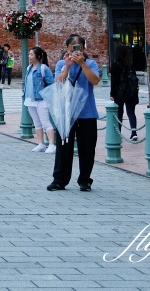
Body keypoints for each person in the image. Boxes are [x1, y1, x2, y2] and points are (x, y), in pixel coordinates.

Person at [47, 34, 101, 192]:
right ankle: (60, 180)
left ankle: (85, 180)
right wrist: (68, 66)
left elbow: (95, 81)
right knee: (64, 149)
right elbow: (58, 83)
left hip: (87, 113)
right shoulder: (61, 64)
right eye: (72, 49)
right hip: (66, 113)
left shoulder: (90, 63)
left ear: (84, 49)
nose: (76, 52)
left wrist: (83, 64)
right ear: (67, 49)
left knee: (87, 149)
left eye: (79, 49)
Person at [23, 46, 56, 154]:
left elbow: (51, 84)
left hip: (41, 99)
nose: (29, 57)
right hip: (30, 99)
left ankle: (51, 144)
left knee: (45, 122)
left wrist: (49, 97)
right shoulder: (29, 68)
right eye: (29, 54)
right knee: (37, 123)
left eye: (31, 54)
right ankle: (41, 144)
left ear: (38, 56)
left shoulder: (43, 68)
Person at [109, 44, 139, 142]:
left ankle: (118, 133)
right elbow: (134, 79)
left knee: (119, 114)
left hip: (119, 93)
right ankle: (134, 133)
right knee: (131, 112)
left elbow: (114, 81)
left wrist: (112, 94)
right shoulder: (130, 64)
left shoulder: (115, 65)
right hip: (130, 92)